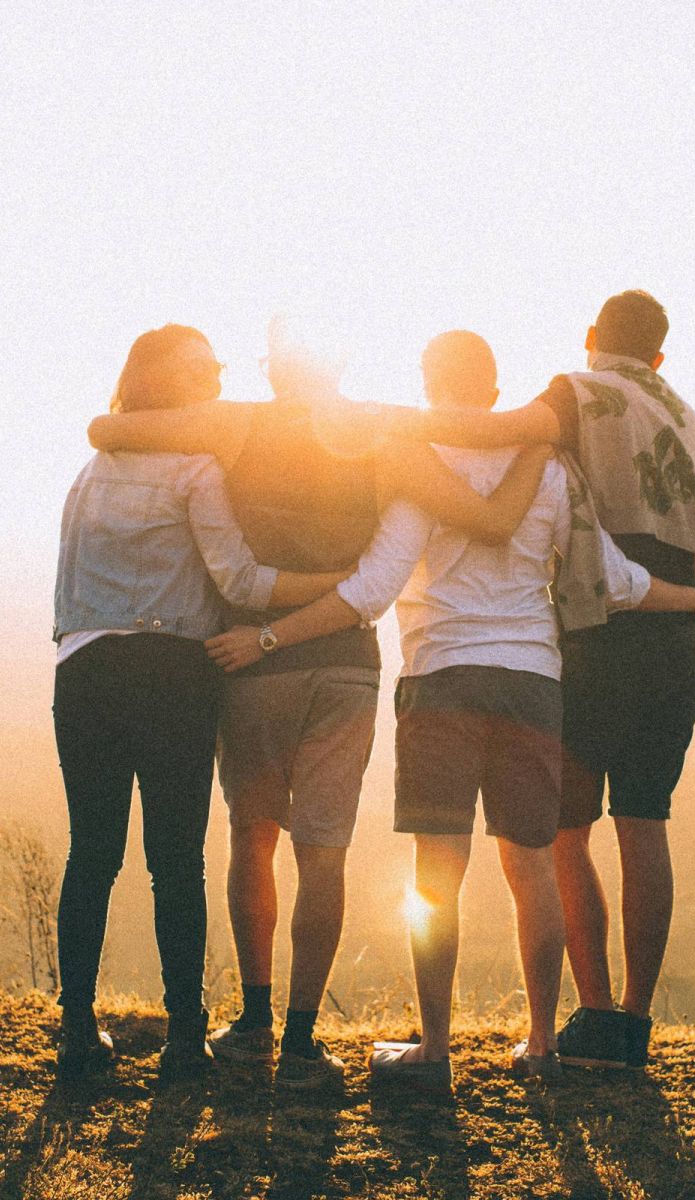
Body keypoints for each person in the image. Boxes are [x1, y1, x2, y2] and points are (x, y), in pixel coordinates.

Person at [205, 329, 695, 1089]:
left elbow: (373, 589)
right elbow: (616, 580)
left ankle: (436, 1050)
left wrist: (269, 635)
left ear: (428, 381)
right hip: (533, 683)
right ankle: (543, 1045)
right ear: (493, 389)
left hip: (442, 677)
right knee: (533, 868)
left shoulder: (419, 465)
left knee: (436, 875)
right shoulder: (549, 469)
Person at [87, 318, 553, 1089]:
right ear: (340, 360)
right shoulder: (379, 428)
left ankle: (254, 1020)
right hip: (346, 664)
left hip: (252, 659)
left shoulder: (235, 423)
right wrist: (539, 433)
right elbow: (479, 471)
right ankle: (303, 1041)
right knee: (323, 850)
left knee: (253, 835)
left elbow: (111, 427)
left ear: (273, 369)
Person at [369, 292, 695, 1070]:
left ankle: (588, 1016)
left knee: (563, 833)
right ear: (660, 356)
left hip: (596, 633)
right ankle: (629, 1026)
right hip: (673, 640)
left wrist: (384, 424)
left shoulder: (577, 393)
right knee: (645, 823)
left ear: (593, 337)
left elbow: (489, 432)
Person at [53, 324, 351, 1080]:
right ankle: (186, 1036)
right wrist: (338, 586)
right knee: (175, 861)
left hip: (84, 670)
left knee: (92, 853)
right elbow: (242, 584)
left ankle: (77, 1030)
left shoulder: (90, 472)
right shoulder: (195, 469)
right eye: (205, 369)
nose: (218, 379)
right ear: (173, 384)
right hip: (173, 674)